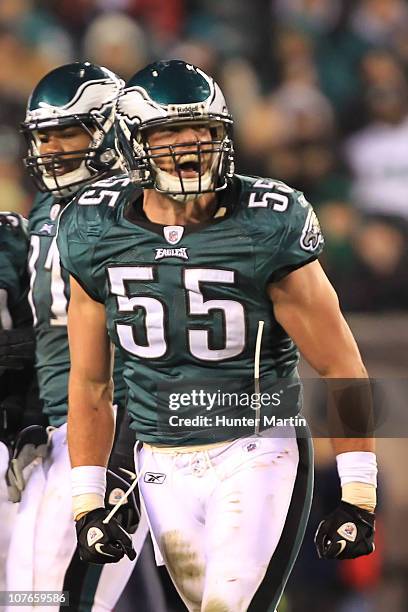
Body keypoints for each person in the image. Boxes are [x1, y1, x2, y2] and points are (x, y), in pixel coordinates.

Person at [57, 60, 377, 612]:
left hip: (254, 446)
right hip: (159, 459)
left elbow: (340, 363)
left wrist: (359, 492)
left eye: (203, 129)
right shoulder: (93, 230)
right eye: (171, 131)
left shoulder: (265, 221)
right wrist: (88, 499)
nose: (191, 144)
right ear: (134, 144)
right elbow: (89, 383)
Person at [6, 62, 165, 612]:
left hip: (114, 426)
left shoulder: (140, 207)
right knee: (26, 600)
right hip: (57, 428)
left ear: (109, 129)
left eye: (65, 133)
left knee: (63, 598)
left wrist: (123, 450)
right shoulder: (47, 208)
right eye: (42, 137)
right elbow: (40, 331)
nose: (50, 150)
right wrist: (28, 417)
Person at [0, 211, 41, 595]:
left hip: (10, 442)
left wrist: (31, 422)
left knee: (28, 595)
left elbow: (60, 340)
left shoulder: (14, 235)